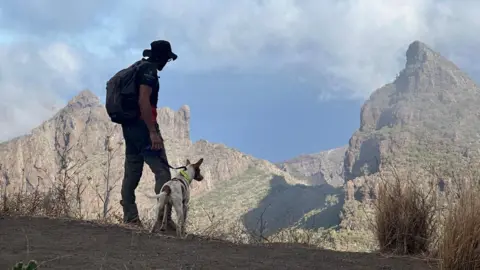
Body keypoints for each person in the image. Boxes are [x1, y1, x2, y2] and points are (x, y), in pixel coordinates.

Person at [119, 40, 178, 231]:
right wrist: (152, 132)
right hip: (143, 127)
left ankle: (130, 218)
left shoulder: (138, 67)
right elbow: (143, 100)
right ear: (161, 58)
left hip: (129, 127)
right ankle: (164, 221)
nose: (166, 63)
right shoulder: (149, 72)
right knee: (163, 173)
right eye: (167, 59)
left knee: (132, 172)